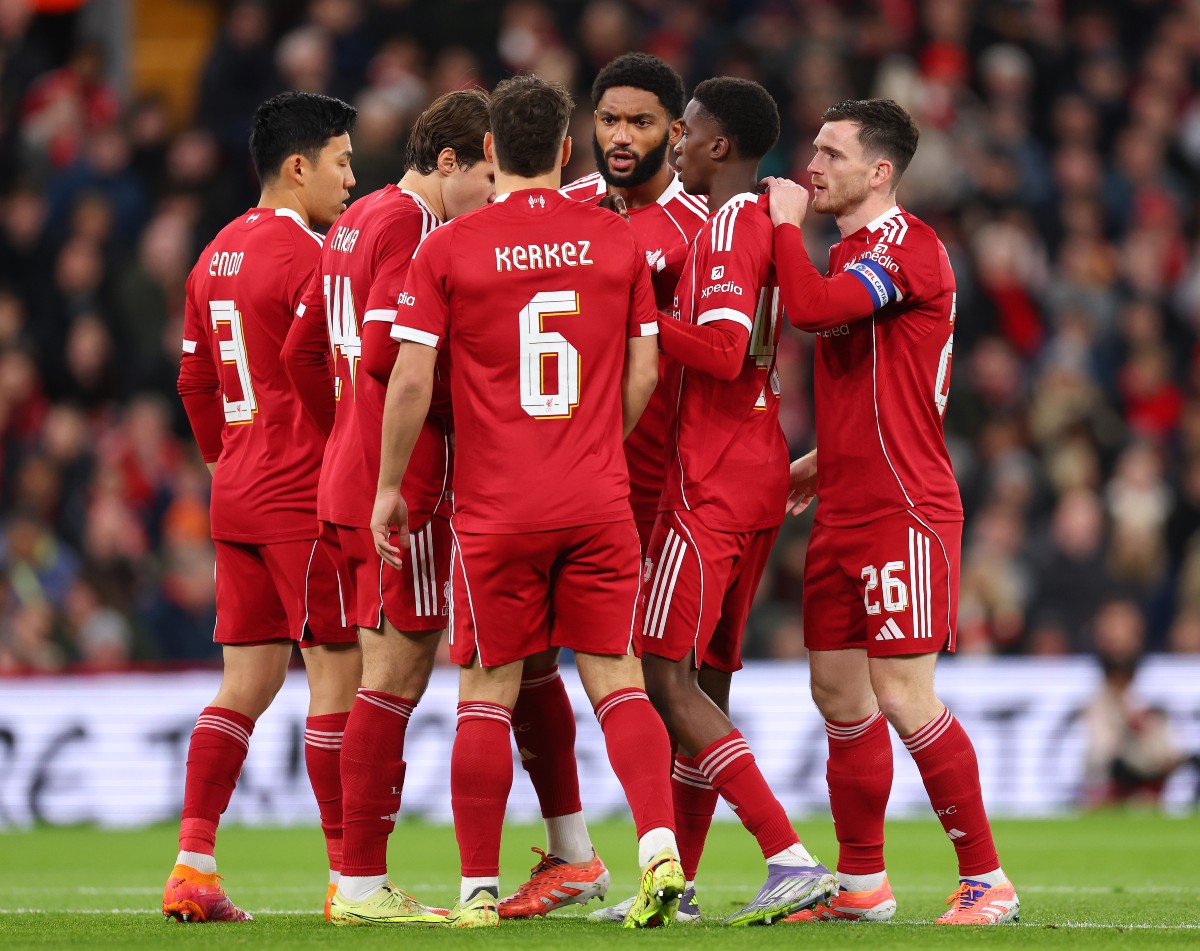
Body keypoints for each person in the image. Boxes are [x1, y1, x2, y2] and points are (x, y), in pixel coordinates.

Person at [371, 73, 681, 929]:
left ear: (495, 151)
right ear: (569, 151)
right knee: (617, 678)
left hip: (497, 506)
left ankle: (476, 888)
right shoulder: (613, 237)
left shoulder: (449, 248)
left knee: (486, 687)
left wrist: (390, 486)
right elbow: (648, 367)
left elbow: (409, 377)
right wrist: (594, 447)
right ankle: (659, 849)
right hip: (595, 497)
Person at [763, 98, 1020, 926]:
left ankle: (987, 880)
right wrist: (822, 457)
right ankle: (862, 882)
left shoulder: (908, 248)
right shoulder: (853, 250)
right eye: (814, 150)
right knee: (838, 696)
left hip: (904, 506)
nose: (814, 165)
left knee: (904, 692)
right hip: (844, 501)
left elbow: (813, 312)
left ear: (879, 171)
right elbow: (876, 385)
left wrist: (781, 227)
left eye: (832, 153)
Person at [495, 52, 709, 924]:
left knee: (678, 681)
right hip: (574, 488)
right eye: (610, 121)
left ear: (676, 132)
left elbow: (713, 363)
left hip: (663, 490)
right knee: (539, 666)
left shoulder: (700, 228)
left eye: (642, 123)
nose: (622, 138)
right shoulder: (569, 209)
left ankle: (689, 873)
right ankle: (577, 855)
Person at [280, 89, 494, 926]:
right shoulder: (409, 226)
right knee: (394, 682)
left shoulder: (354, 219)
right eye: (485, 175)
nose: (490, 195)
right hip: (399, 489)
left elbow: (305, 351)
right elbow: (385, 352)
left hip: (349, 476)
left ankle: (355, 879)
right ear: (449, 163)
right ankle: (364, 883)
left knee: (374, 681)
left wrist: (344, 433)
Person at [633, 76, 835, 928]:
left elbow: (718, 351)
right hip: (755, 471)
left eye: (688, 131)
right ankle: (678, 885)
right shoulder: (755, 225)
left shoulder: (724, 226)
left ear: (718, 146)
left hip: (707, 483)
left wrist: (634, 310)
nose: (673, 141)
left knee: (660, 672)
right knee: (704, 678)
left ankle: (786, 854)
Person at [167, 91, 361, 923]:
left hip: (238, 495)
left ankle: (193, 865)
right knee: (340, 680)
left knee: (243, 683)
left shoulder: (212, 256)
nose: (351, 181)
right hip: (301, 496)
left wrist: (226, 458)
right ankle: (352, 879)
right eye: (342, 162)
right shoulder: (310, 258)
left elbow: (193, 380)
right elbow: (325, 369)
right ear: (298, 167)